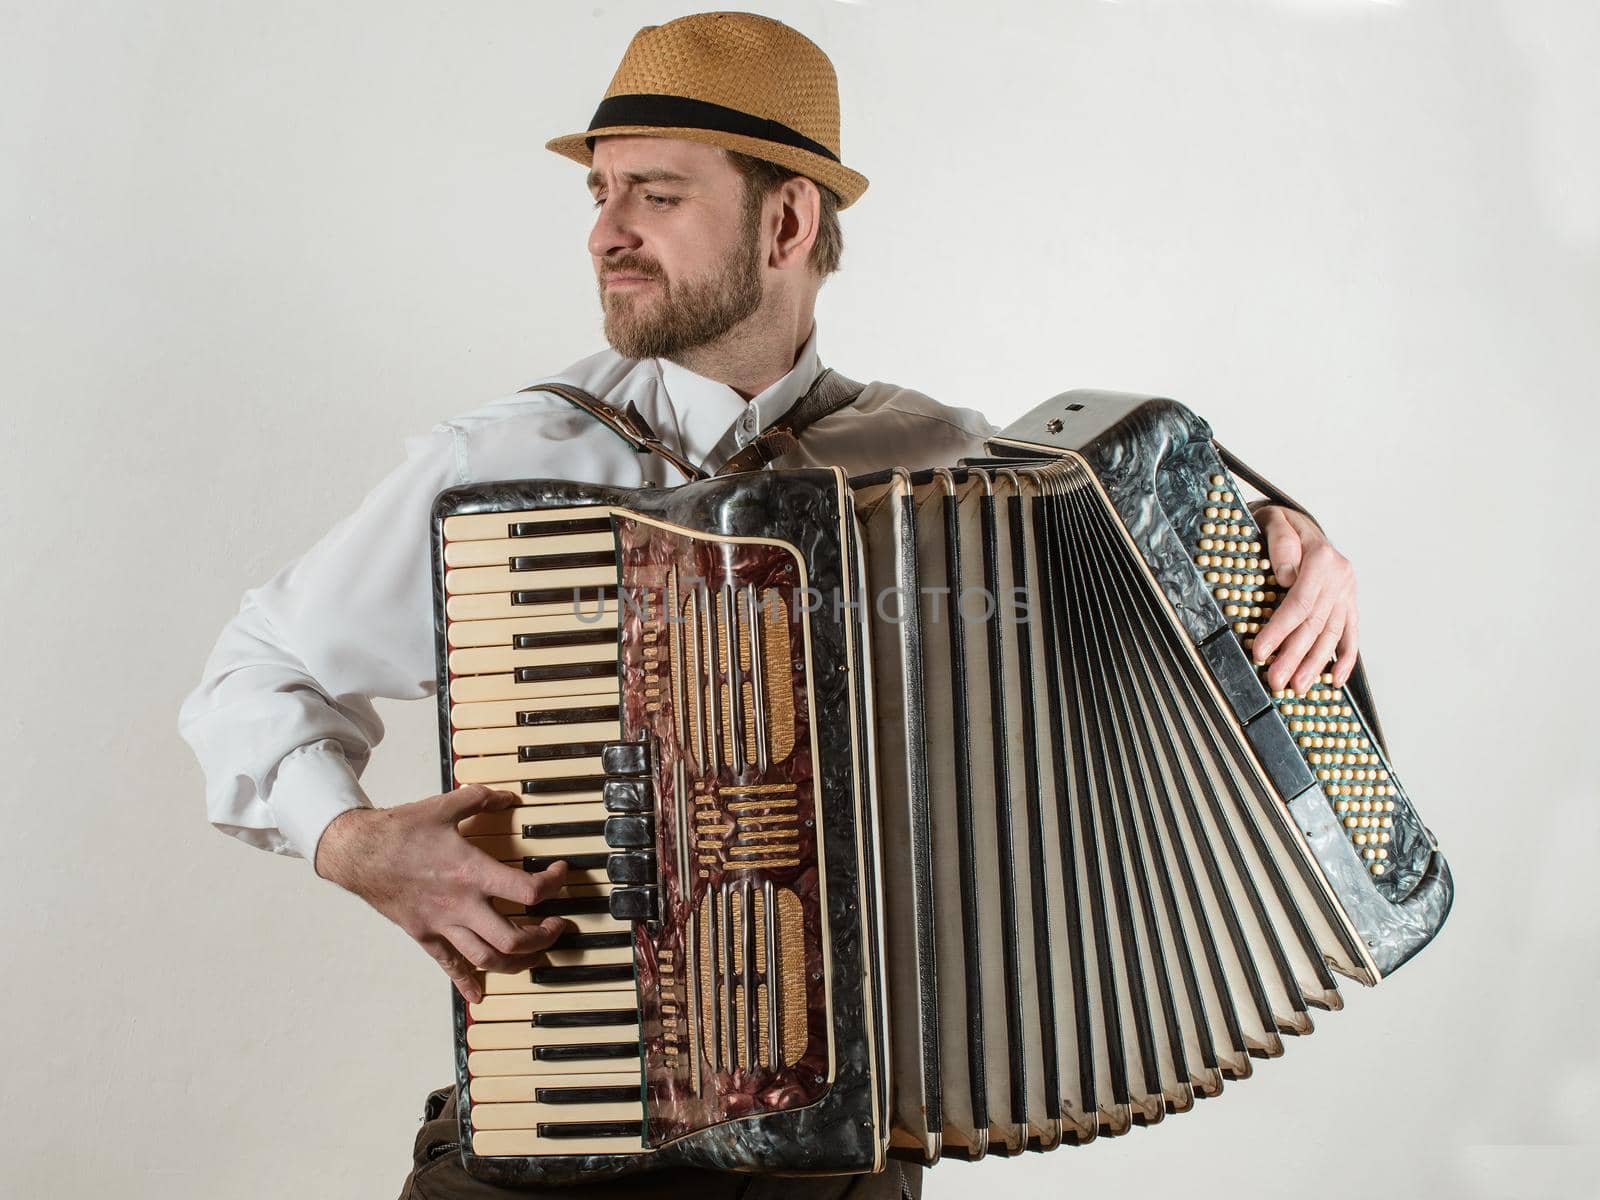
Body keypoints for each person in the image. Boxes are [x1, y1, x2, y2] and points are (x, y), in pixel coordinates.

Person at [178, 12, 1361, 1199]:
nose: (603, 232)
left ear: (785, 221)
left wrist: (1272, 551)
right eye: (598, 194)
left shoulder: (935, 463)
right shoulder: (504, 467)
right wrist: (346, 840)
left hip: (841, 1163)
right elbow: (256, 670)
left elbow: (1130, 632)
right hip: (564, 1143)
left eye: (654, 194)